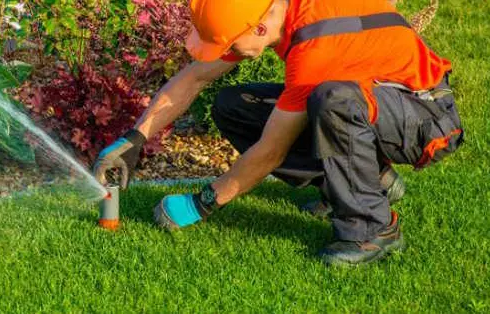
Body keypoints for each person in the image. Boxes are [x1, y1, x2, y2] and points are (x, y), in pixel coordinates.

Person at [92, 0, 463, 266]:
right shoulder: (269, 9)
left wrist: (202, 202)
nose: (227, 52)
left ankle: (373, 229)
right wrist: (135, 138)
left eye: (229, 44)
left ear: (258, 28)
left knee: (331, 100)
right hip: (373, 103)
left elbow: (271, 150)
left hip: (425, 118)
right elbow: (196, 76)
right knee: (236, 105)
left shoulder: (315, 46)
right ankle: (371, 182)